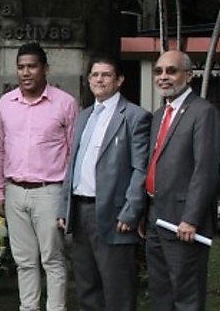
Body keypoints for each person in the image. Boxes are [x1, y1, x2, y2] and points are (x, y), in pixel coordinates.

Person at [58, 55, 151, 311]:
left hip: (114, 214)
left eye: (106, 75)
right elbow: (73, 164)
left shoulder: (135, 116)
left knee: (117, 289)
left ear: (119, 80)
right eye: (95, 75)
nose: (99, 80)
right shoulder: (84, 116)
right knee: (87, 287)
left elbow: (140, 169)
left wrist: (131, 212)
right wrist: (64, 207)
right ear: (88, 80)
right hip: (80, 211)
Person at [0, 42, 77, 311]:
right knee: (24, 260)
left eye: (32, 66)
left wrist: (67, 199)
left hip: (50, 191)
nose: (26, 72)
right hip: (15, 191)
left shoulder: (65, 103)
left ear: (45, 69)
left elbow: (74, 153)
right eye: (21, 67)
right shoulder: (6, 103)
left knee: (52, 259)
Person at [144, 50, 220, 311]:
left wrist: (191, 218)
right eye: (158, 71)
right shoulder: (159, 115)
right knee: (161, 292)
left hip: (183, 222)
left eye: (171, 70)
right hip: (156, 217)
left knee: (186, 296)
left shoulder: (203, 112)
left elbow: (205, 170)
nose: (163, 77)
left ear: (188, 76)